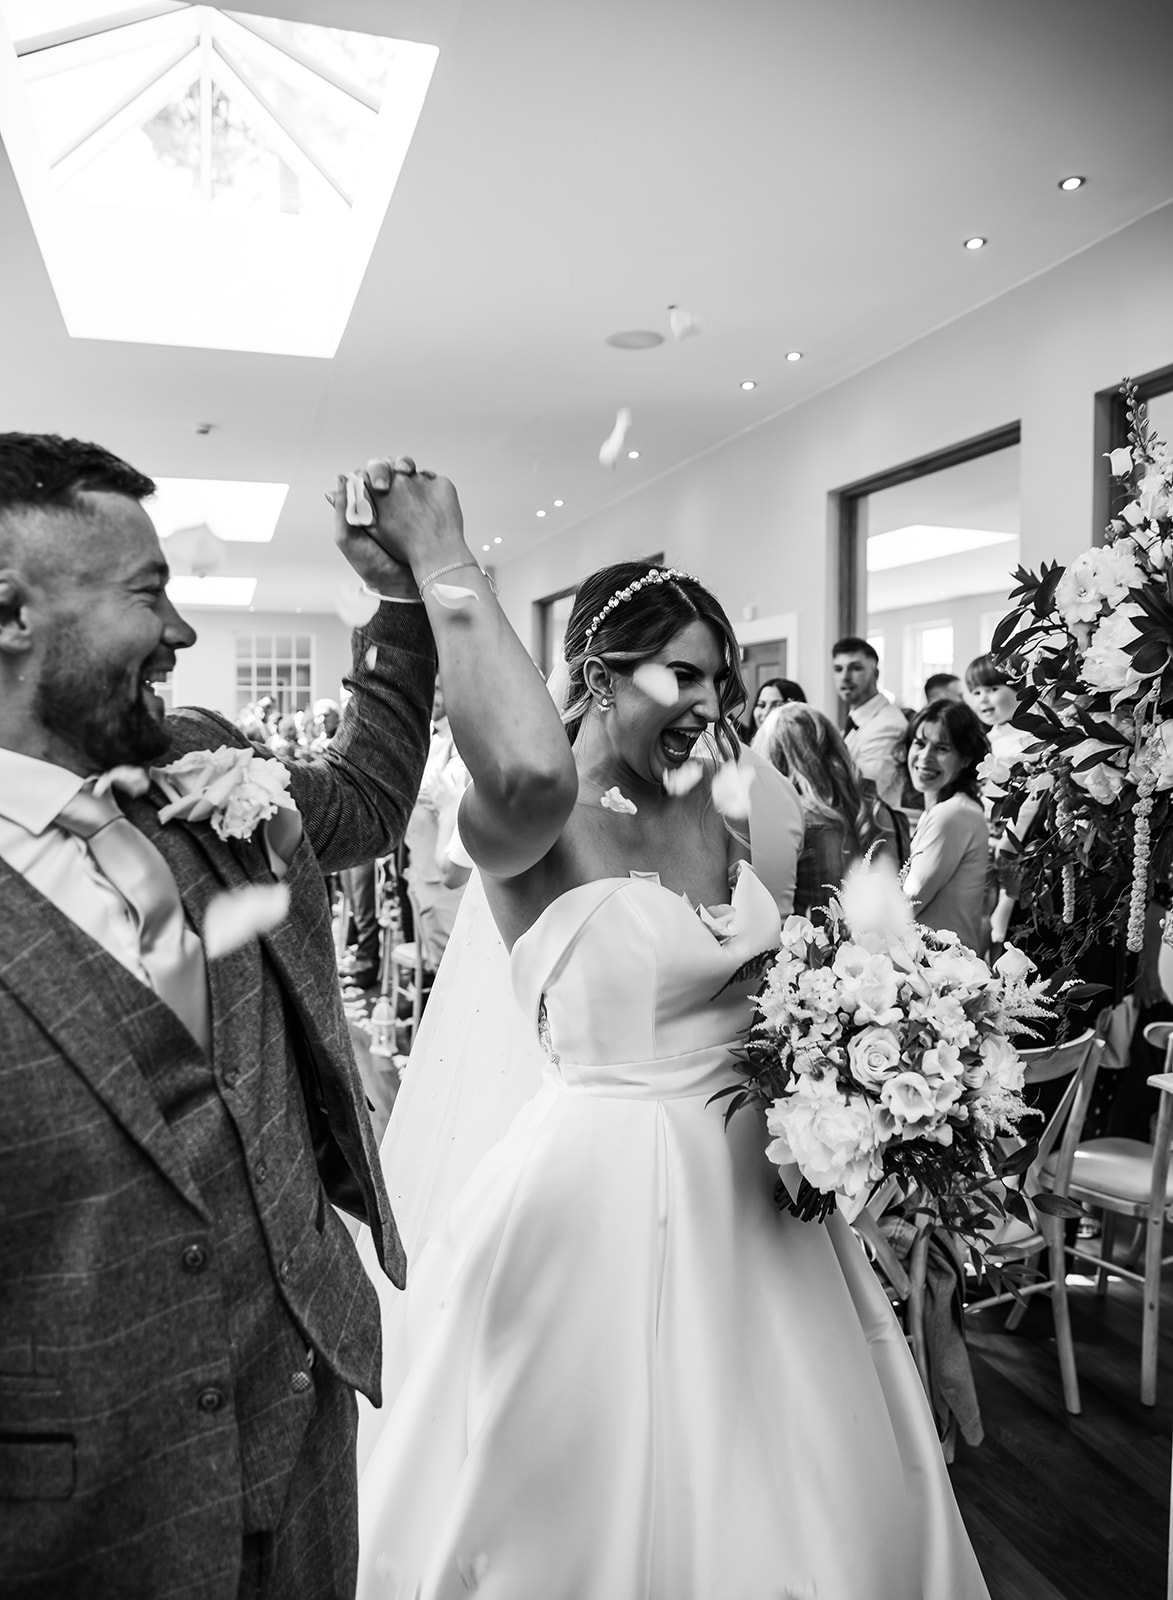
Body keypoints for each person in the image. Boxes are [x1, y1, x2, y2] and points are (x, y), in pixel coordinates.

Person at [353, 461, 988, 1599]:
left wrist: (860, 1041)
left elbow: (785, 961)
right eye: (679, 673)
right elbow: (535, 755)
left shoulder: (715, 802)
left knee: (796, 1484)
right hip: (603, 1189)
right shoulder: (530, 817)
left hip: (765, 1196)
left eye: (722, 677)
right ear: (596, 676)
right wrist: (447, 565)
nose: (710, 701)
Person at [0, 434, 435, 1598]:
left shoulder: (199, 763)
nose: (183, 635)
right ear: (9, 611)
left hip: (304, 1424)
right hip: (93, 1517)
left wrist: (399, 595)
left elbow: (370, 799)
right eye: (149, 595)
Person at [753, 701, 899, 915]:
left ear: (774, 755)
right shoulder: (873, 808)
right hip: (872, 943)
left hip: (810, 944)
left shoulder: (793, 817)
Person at [902, 699, 991, 952]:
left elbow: (910, 902)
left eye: (941, 748)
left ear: (965, 759)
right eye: (919, 743)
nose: (925, 757)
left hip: (944, 970)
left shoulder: (951, 815)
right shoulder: (946, 810)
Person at [402, 681, 469, 971]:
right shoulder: (431, 735)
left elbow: (445, 794)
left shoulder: (460, 739)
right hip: (422, 865)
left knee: (448, 972)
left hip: (444, 875)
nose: (433, 695)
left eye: (440, 687)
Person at [832, 634, 908, 810]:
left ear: (875, 674)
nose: (845, 677)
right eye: (838, 669)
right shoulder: (855, 719)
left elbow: (863, 792)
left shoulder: (889, 726)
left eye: (855, 668)